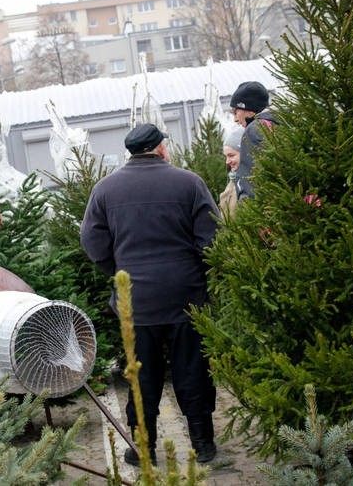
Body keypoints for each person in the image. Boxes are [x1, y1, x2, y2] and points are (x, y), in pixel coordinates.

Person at [80, 123, 220, 466]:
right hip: (186, 294)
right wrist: (199, 274)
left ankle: (143, 447)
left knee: (142, 372)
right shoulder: (189, 182)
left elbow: (92, 241)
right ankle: (203, 444)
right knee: (193, 369)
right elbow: (212, 238)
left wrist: (119, 273)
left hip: (136, 300)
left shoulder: (105, 190)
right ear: (160, 148)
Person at [229, 81, 275, 200]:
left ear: (249, 109)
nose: (235, 119)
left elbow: (250, 179)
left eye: (236, 112)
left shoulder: (253, 130)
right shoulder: (279, 124)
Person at [219, 126, 244, 216]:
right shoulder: (233, 180)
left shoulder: (249, 183)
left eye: (231, 155)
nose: (227, 161)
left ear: (244, 152)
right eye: (226, 156)